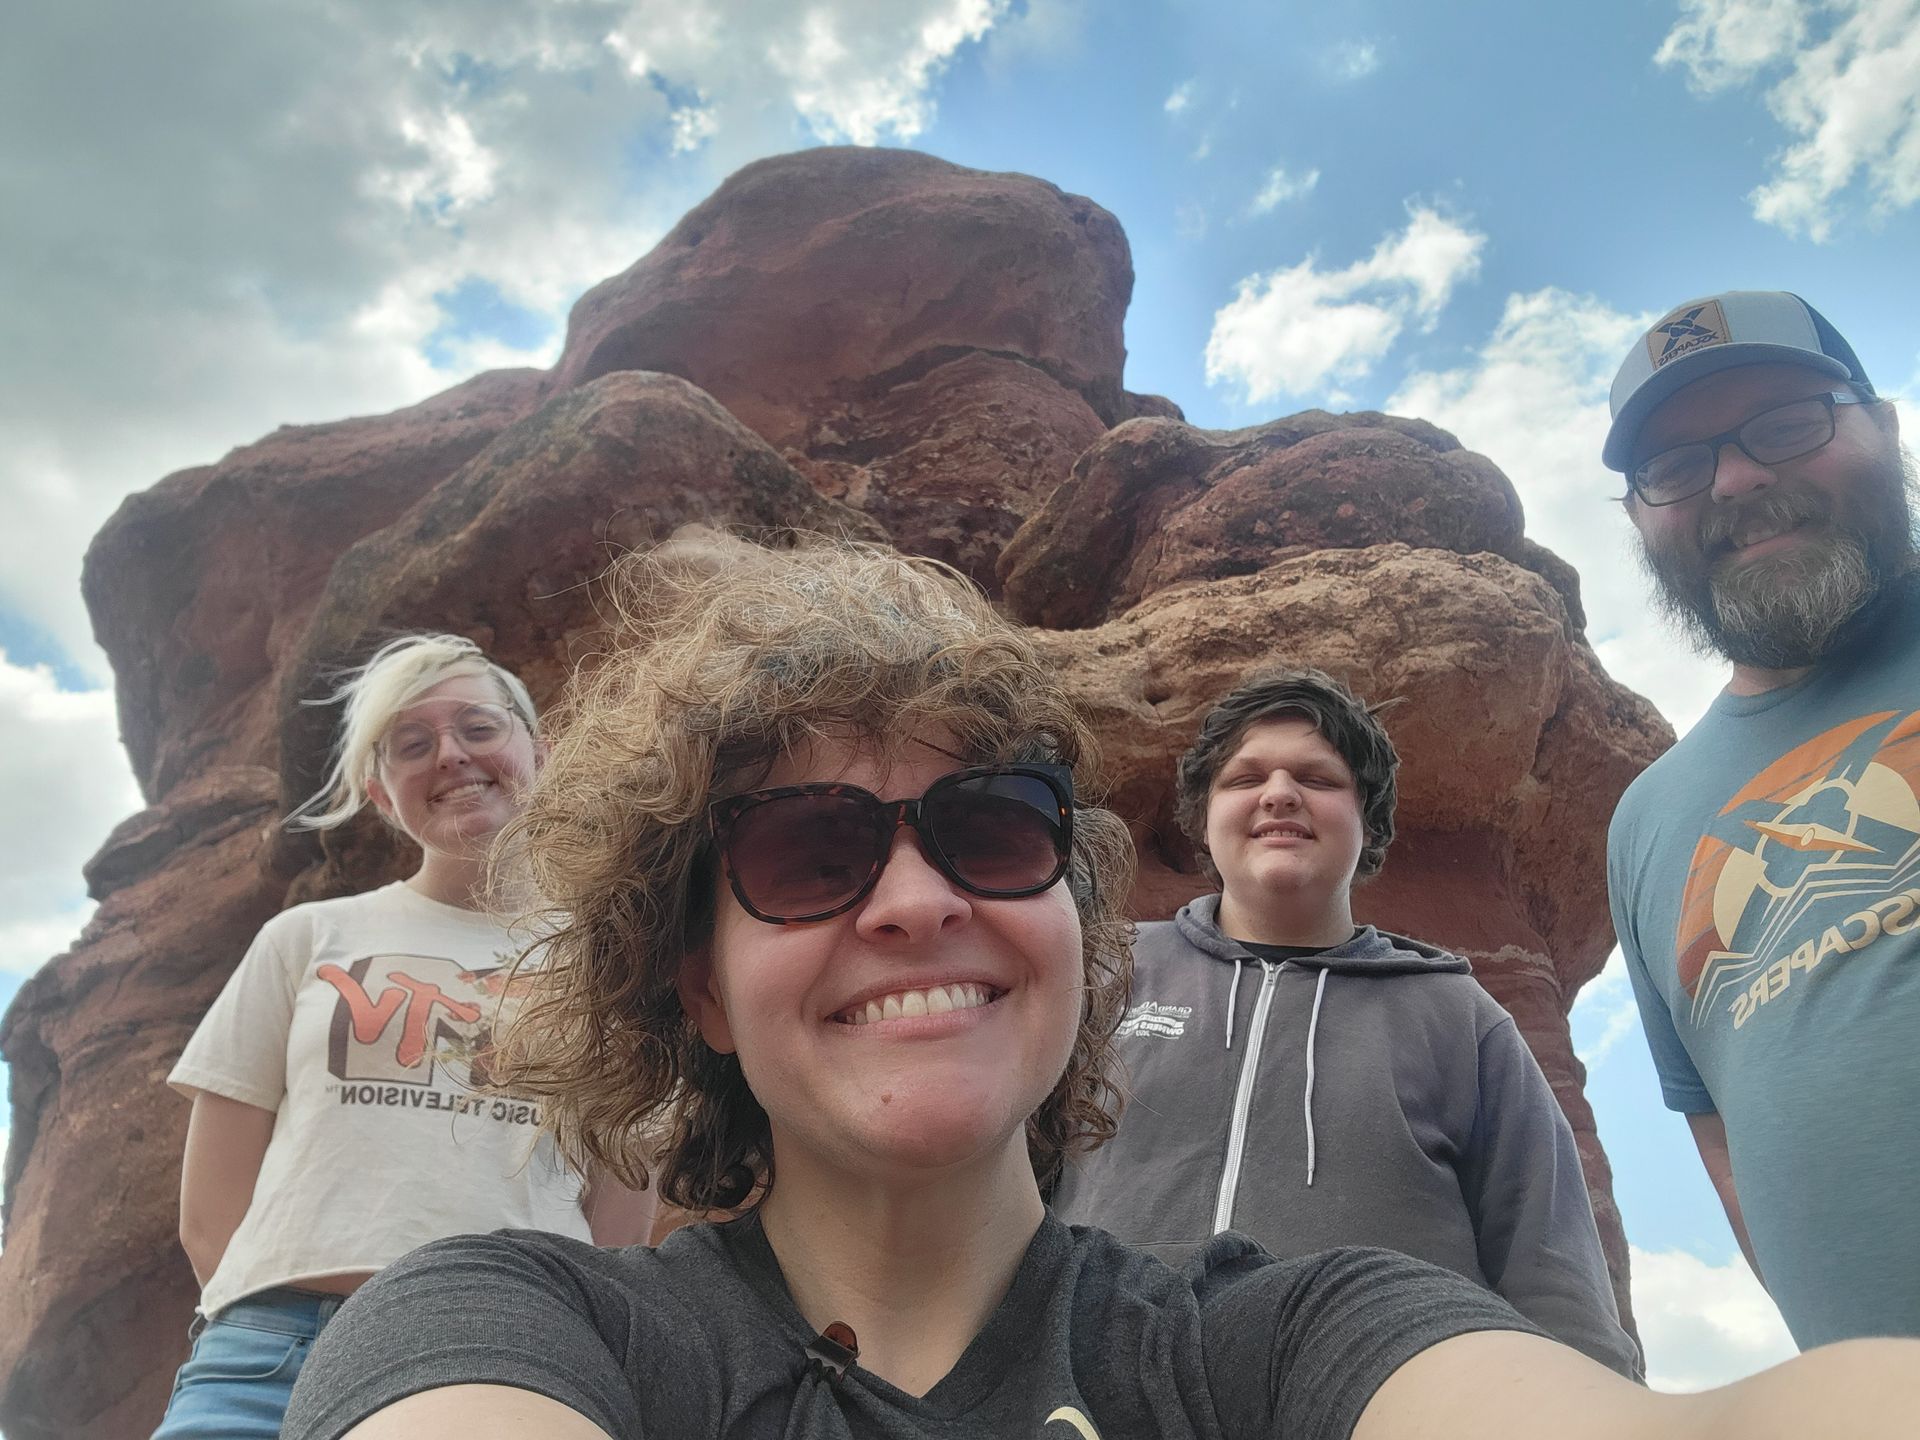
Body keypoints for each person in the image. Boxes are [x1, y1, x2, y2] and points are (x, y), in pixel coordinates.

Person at [279, 540, 1918, 1440]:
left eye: (990, 833)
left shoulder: (1287, 1340)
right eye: (804, 851)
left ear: (1071, 926)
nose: (916, 902)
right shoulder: (512, 1325)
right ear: (694, 985)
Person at [1050, 668, 1639, 1376]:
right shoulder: (1106, 976)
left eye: (1317, 778)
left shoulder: (1458, 1016)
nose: (1278, 794)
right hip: (1100, 1400)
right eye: (1245, 778)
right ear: (1203, 819)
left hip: (1379, 1404)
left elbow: (1554, 1270)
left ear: (1368, 820)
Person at [154, 634, 654, 1440]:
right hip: (271, 1357)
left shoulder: (604, 968)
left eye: (479, 728)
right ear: (382, 794)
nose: (451, 756)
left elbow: (620, 1209)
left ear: (542, 754)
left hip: (509, 1349)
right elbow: (209, 1210)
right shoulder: (305, 937)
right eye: (411, 744)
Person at [1603, 289, 1917, 1350]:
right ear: (1640, 517)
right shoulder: (1649, 822)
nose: (1736, 480)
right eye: (1676, 468)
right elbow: (1723, 1137)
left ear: (1886, 424)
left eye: (1787, 425)